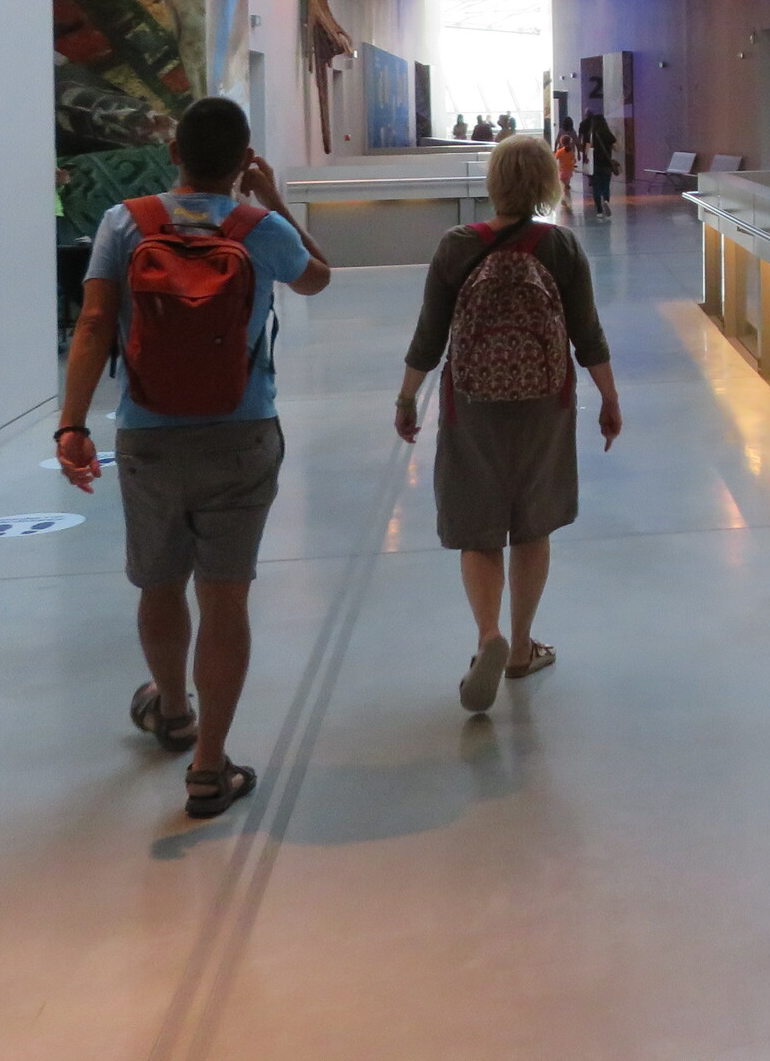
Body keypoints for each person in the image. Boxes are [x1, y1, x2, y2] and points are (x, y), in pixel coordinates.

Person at [56, 98, 331, 819]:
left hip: (149, 435)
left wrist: (72, 424)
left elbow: (93, 322)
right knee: (224, 596)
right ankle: (209, 766)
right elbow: (317, 277)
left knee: (159, 586)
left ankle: (173, 709)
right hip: (242, 434)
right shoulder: (258, 228)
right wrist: (272, 200)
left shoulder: (125, 222)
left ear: (174, 150)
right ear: (244, 160)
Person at [393, 134, 620, 712]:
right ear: (547, 183)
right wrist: (609, 398)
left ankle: (487, 635)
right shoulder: (560, 247)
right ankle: (520, 648)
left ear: (492, 182)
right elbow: (587, 333)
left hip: (472, 402)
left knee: (478, 525)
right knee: (532, 522)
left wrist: (406, 397)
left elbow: (429, 335)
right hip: (546, 402)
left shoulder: (457, 246)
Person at [576, 106, 619, 221]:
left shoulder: (590, 135)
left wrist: (585, 157)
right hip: (607, 164)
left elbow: (586, 149)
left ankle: (599, 211)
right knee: (606, 186)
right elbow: (617, 147)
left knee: (596, 187)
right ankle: (606, 201)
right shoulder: (607, 134)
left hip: (594, 165)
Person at [553, 127, 579, 215]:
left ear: (561, 142)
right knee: (566, 185)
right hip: (569, 171)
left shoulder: (560, 151)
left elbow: (555, 158)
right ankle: (566, 198)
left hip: (562, 171)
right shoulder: (571, 152)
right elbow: (574, 160)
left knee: (562, 186)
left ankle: (564, 199)